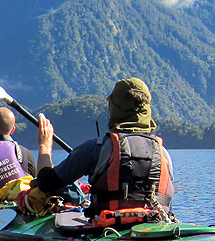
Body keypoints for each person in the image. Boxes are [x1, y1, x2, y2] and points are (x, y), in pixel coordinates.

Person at [35, 77, 174, 219]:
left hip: (108, 229)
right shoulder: (163, 154)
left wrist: (44, 145)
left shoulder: (96, 149)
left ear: (114, 109)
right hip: (157, 225)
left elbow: (45, 183)